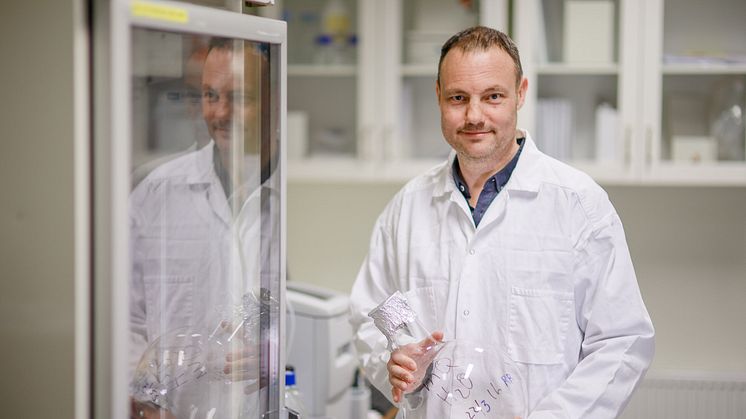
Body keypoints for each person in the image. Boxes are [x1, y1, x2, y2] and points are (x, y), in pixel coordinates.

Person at [349, 26, 655, 418]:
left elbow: (622, 341)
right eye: (458, 98)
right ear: (438, 96)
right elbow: (372, 314)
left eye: (493, 96)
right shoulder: (406, 210)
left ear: (521, 93)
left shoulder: (579, 205)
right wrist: (394, 357)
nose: (474, 116)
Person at [128, 36, 279, 419]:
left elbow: (312, 325)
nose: (220, 112)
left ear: (273, 102)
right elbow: (123, 318)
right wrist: (141, 399)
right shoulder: (157, 193)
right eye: (211, 95)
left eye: (240, 97)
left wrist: (275, 356)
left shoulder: (292, 198)